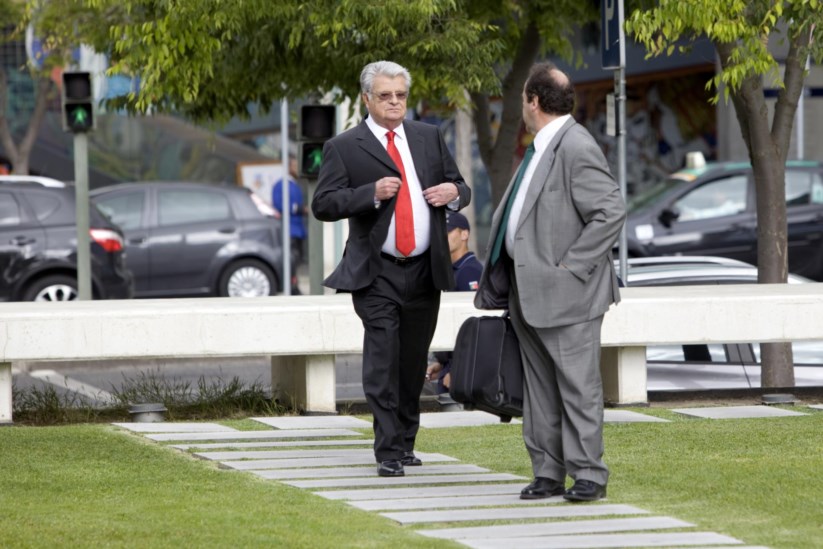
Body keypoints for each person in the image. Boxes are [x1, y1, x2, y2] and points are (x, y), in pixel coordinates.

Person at [474, 62, 626, 502]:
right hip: (529, 291)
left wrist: (572, 267)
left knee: (578, 387)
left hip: (568, 292)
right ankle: (547, 473)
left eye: (523, 97)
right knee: (540, 389)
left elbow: (610, 212)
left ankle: (589, 477)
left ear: (533, 101)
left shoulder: (575, 145)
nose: (522, 104)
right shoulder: (542, 147)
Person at [311, 60, 471, 477]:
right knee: (383, 357)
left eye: (400, 95)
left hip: (424, 270)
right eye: (385, 96)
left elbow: (462, 187)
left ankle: (405, 441)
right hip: (376, 271)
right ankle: (387, 451)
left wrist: (454, 191)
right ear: (367, 98)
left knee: (412, 360)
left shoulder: (428, 136)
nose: (395, 102)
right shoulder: (345, 146)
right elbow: (323, 204)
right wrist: (370, 193)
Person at [426, 211, 483, 395]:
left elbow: (473, 325)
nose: (443, 236)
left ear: (464, 234)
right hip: (451, 364)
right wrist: (442, 363)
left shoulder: (469, 271)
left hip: (464, 368)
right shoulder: (452, 270)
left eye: (449, 231)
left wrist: (456, 368)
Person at [272, 156, 307, 294]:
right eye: (294, 165)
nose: (297, 168)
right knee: (291, 259)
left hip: (298, 229)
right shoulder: (281, 185)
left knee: (297, 259)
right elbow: (280, 205)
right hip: (289, 229)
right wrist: (299, 209)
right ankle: (291, 286)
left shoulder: (295, 184)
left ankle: (294, 284)